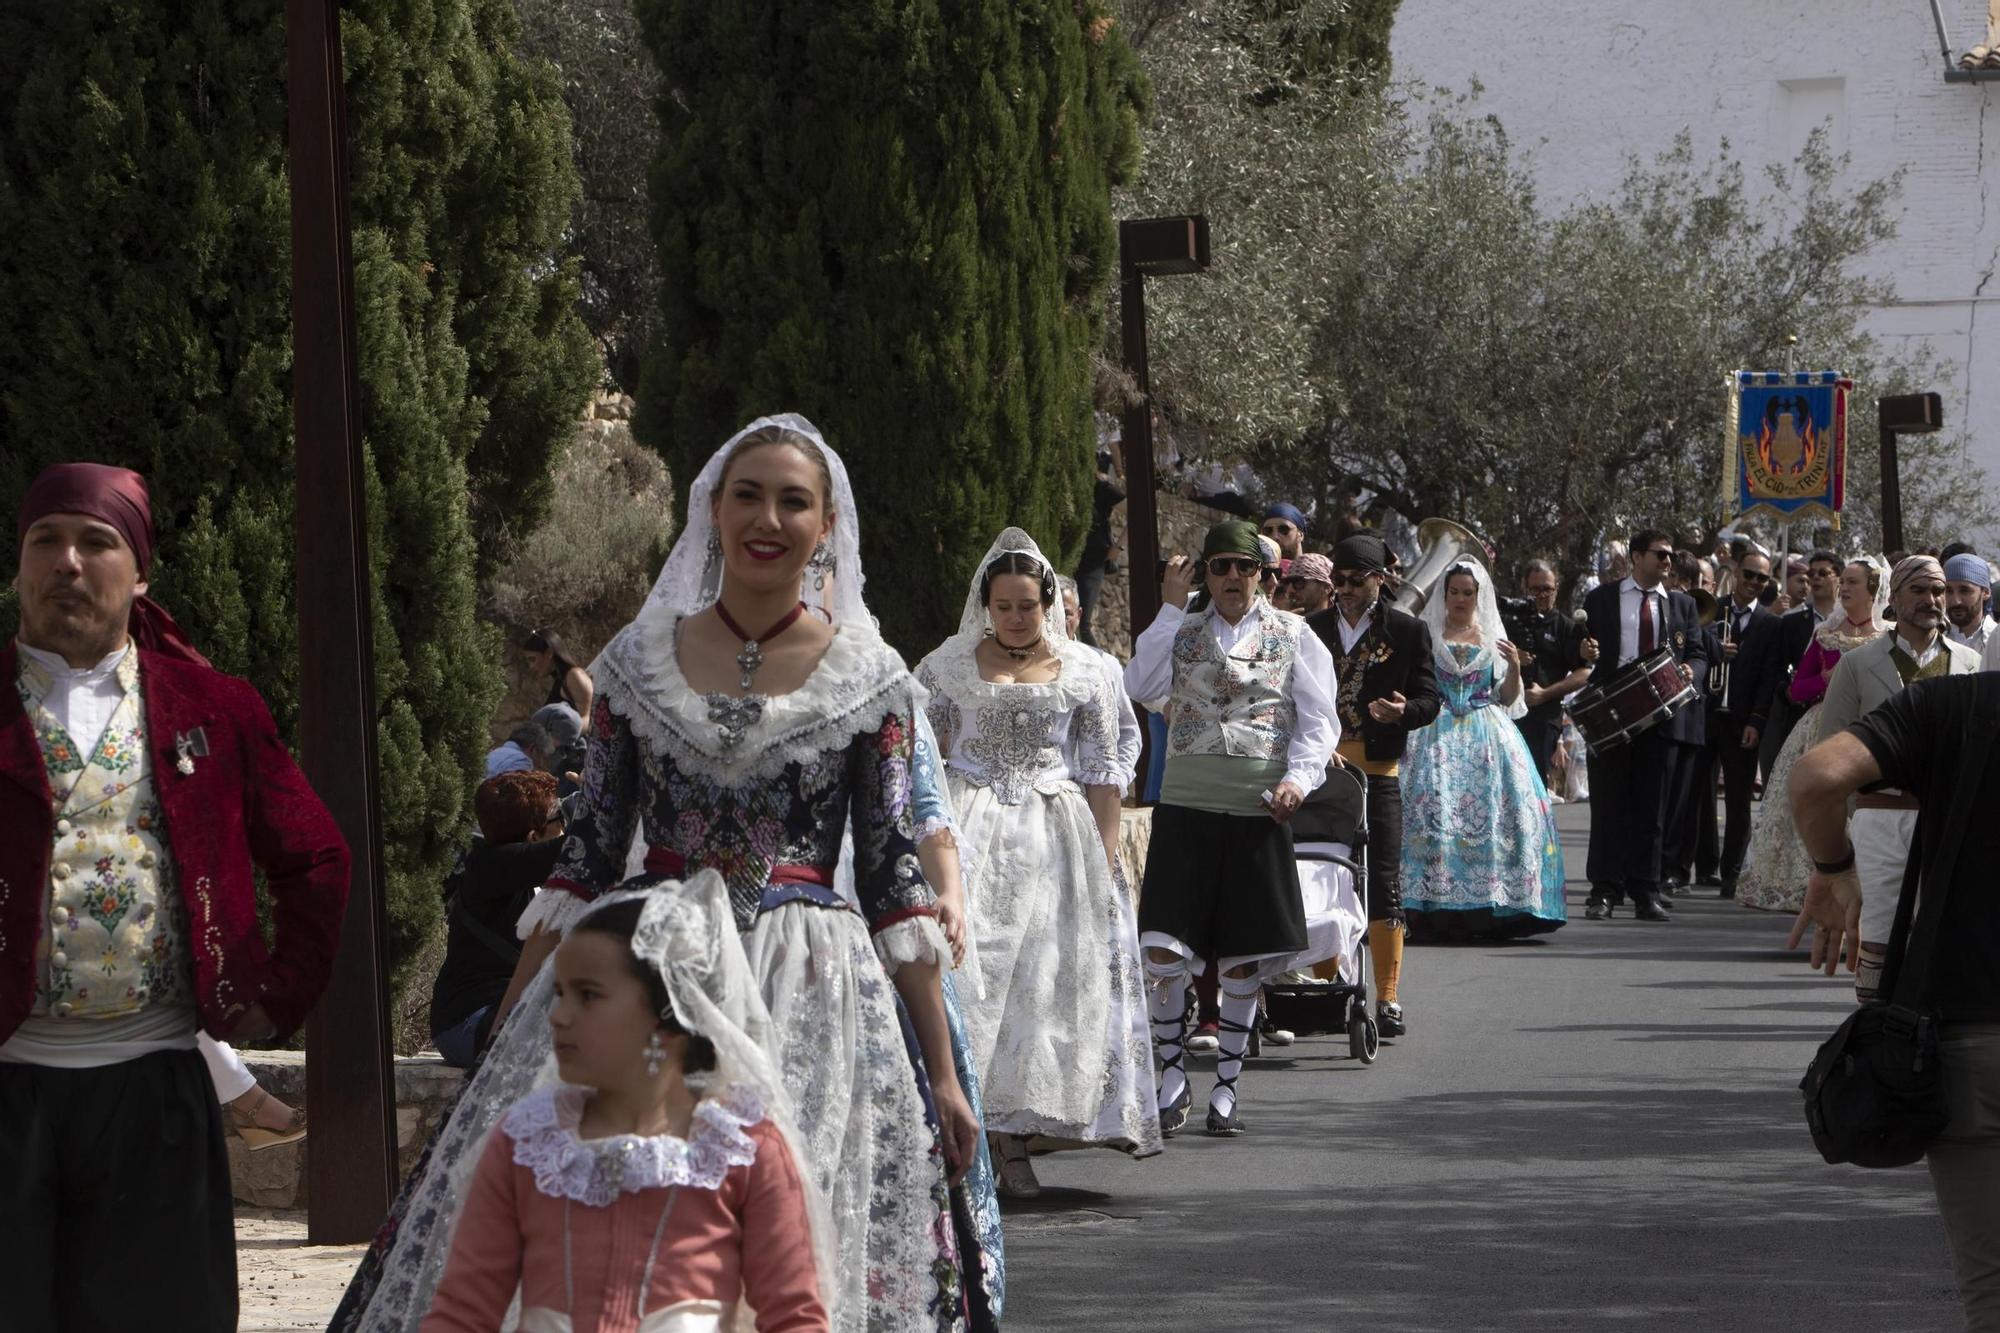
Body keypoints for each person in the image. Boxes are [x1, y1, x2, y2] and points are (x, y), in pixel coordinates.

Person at [337, 416, 978, 1333]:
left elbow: (890, 879)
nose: (768, 517)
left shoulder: (870, 677)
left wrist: (944, 1074)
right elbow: (583, 865)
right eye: (746, 495)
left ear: (825, 524)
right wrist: (513, 1030)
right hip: (644, 973)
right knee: (613, 1226)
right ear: (712, 511)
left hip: (809, 986)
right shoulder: (637, 665)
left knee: (801, 1232)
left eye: (793, 500)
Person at [1, 463, 350, 1330]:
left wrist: (274, 993)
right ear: (18, 566)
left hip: (154, 1094)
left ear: (141, 570)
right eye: (45, 540)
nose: (68, 561)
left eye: (96, 541)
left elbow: (315, 855)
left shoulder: (215, 708)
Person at [421, 881, 830, 1333]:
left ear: (668, 1015)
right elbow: (462, 1314)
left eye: (588, 995)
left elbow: (795, 1319)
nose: (557, 1015)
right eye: (559, 993)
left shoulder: (741, 1149)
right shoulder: (526, 1145)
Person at [916, 530, 1158, 1196]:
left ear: (1049, 602)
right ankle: (981, 1138)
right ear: (986, 605)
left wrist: (1105, 869)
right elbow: (922, 764)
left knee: (1040, 986)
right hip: (970, 833)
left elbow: (1106, 775)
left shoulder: (1089, 670)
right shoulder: (945, 668)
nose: (1016, 617)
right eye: (1004, 605)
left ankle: (1016, 1141)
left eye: (1027, 604)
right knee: (975, 979)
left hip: (1057, 837)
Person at [1788, 671, 2000, 1330]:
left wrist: (1832, 870)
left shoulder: (1957, 703)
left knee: (1991, 1286)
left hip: (1971, 1038)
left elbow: (1817, 776)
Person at [1125, 521, 1340, 1137]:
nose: (1232, 578)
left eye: (1244, 567)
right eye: (1219, 566)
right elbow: (1139, 688)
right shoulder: (1181, 629)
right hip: (1186, 808)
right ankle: (1170, 1076)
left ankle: (1225, 1087)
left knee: (1244, 961)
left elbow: (1318, 720)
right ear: (1204, 574)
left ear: (1264, 574)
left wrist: (1299, 780)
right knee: (1164, 949)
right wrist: (1168, 609)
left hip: (1256, 810)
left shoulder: (1295, 635)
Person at [1814, 555, 1980, 998]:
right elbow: (1830, 754)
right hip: (1880, 821)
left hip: (1949, 824)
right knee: (1880, 940)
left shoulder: (1971, 663)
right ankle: (1877, 1046)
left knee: (1946, 940)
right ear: (1896, 597)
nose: (1933, 600)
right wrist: (1853, 828)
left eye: (1939, 590)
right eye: (1920, 590)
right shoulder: (1857, 664)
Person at [1306, 532, 1442, 1036]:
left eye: (1354, 580)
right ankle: (1327, 984)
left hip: (1379, 773)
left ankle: (1388, 996)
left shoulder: (1407, 631)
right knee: (1322, 875)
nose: (1343, 588)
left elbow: (1431, 699)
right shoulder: (1309, 629)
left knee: (1383, 882)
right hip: (1320, 774)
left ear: (1379, 581)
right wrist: (1317, 747)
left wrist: (1406, 712)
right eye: (1336, 580)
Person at [1399, 563, 1567, 940]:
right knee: (1430, 810)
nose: (1460, 599)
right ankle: (1427, 906)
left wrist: (1513, 669)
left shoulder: (1493, 637)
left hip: (1486, 732)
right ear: (1444, 595)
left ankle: (1488, 906)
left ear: (1479, 597)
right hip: (1433, 732)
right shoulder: (1425, 635)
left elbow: (1508, 698)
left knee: (1494, 813)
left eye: (1467, 592)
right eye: (1454, 592)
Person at [1736, 557, 1887, 915]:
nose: (1845, 588)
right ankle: (1810, 886)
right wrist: (1825, 679)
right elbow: (1795, 690)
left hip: (1867, 729)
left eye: (1853, 582)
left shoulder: (1886, 639)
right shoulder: (1825, 636)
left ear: (1873, 590)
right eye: (1844, 581)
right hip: (1820, 728)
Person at [1579, 529, 1708, 922]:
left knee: (1652, 809)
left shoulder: (1683, 606)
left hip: (1661, 717)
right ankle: (1604, 891)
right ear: (1637, 557)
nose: (1668, 561)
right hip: (1612, 713)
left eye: (1670, 555)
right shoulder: (1602, 598)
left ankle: (1645, 891)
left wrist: (1691, 670)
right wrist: (1583, 650)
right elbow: (1582, 648)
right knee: (1608, 806)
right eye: (1660, 554)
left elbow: (1700, 654)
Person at [429, 771, 568, 1069]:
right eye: (559, 819)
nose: (563, 825)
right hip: (467, 1024)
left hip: (498, 1013)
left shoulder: (505, 869)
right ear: (533, 837)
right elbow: (573, 852)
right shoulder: (490, 867)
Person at [1695, 548, 1779, 898]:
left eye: (1762, 578)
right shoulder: (1713, 610)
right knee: (1699, 796)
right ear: (1736, 573)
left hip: (1743, 719)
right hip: (1708, 713)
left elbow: (1769, 677)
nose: (1755, 583)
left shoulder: (1771, 623)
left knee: (1740, 801)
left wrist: (1757, 721)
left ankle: (1732, 871)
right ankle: (1701, 866)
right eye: (1749, 575)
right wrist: (1716, 648)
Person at [1758, 549, 1842, 778]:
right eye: (1811, 573)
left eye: (1823, 573)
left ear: (1839, 579)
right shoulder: (1791, 623)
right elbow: (1776, 668)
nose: (1815, 578)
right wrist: (1787, 691)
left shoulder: (1849, 624)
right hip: (1795, 718)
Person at [1510, 559, 1596, 784]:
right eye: (1534, 589)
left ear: (1556, 589)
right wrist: (1511, 660)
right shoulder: (1509, 621)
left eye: (1547, 589)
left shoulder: (1566, 627)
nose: (1541, 595)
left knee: (1534, 782)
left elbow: (1585, 673)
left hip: (1544, 718)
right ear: (1524, 587)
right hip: (1506, 714)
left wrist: (1544, 694)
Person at [1058, 574, 1143, 784]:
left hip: (1095, 795)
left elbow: (1128, 731)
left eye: (1066, 613)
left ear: (1078, 615)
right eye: (1050, 613)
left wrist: (1118, 779)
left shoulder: (1104, 664)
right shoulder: (1021, 668)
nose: (1058, 621)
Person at [1073, 449, 1126, 648]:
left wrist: (1117, 548)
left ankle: (1099, 669)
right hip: (1071, 555)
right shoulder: (1069, 487)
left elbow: (1136, 514)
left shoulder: (1102, 488)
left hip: (1093, 561)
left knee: (1083, 622)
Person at [524, 627, 594, 720]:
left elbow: (585, 720)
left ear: (548, 653)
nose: (531, 666)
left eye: (533, 659)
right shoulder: (559, 679)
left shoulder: (574, 676)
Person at [1945, 552, 1999, 655]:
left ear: (1986, 592)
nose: (1956, 601)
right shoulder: (1931, 640)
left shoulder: (1996, 639)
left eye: (1965, 591)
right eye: (1949, 591)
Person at [484, 719, 550, 779]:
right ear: (532, 748)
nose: (540, 762)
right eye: (540, 755)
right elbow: (513, 790)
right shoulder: (522, 761)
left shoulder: (495, 752)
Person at [1278, 552, 1335, 617]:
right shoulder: (1280, 621)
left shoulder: (1341, 624)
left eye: (1298, 582)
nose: (1290, 590)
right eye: (1287, 582)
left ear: (1326, 587)